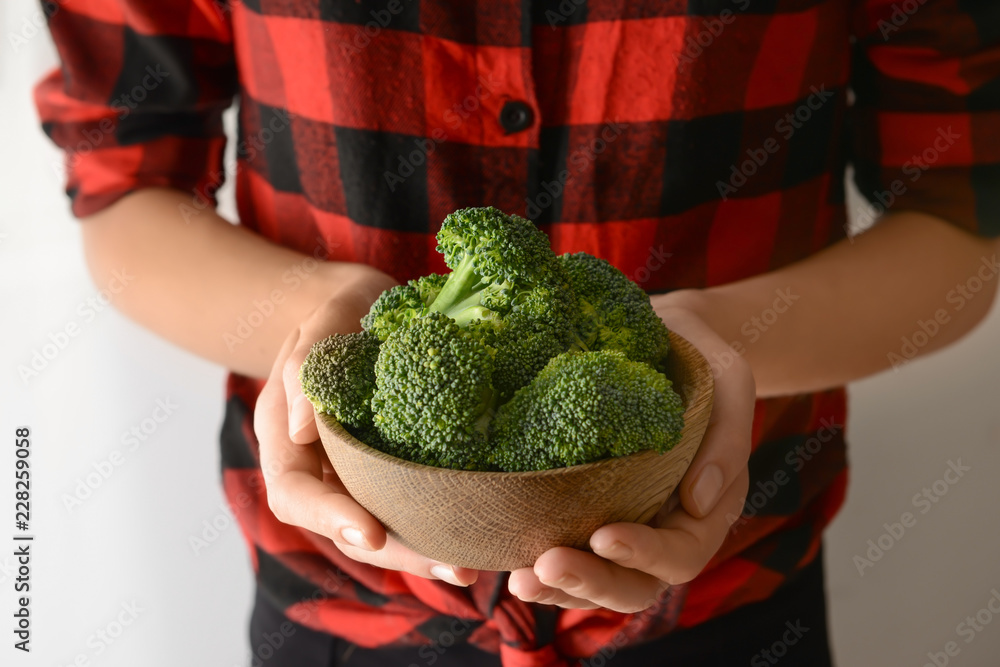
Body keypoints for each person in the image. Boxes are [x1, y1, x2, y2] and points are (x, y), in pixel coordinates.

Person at [36, 0, 999, 665]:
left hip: (735, 596)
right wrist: (318, 315)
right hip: (337, 607)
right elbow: (128, 180)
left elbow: (964, 213)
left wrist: (720, 337)